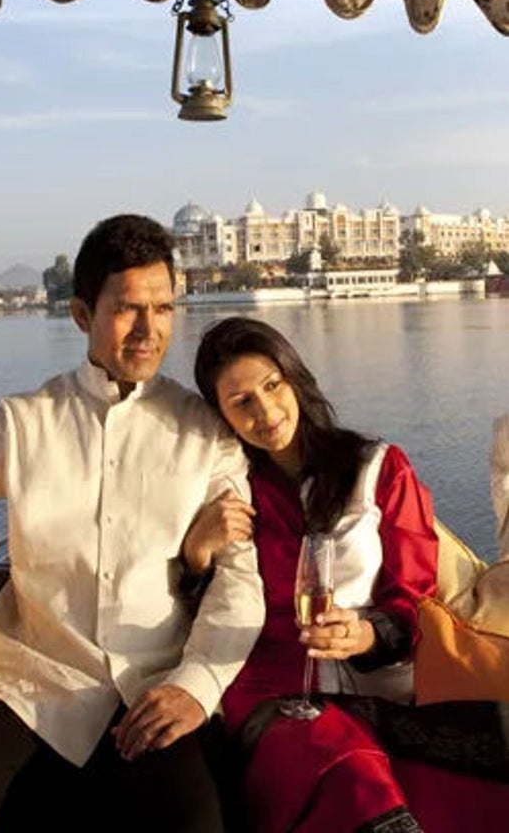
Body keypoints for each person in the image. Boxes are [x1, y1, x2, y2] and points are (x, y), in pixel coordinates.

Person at [0, 215, 264, 833]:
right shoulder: (19, 425)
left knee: (199, 822)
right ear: (81, 314)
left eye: (164, 307)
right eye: (128, 309)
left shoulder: (203, 432)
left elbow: (242, 579)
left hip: (155, 679)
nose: (150, 330)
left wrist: (198, 684)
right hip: (34, 680)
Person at [183, 316, 439, 833]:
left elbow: (417, 599)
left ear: (294, 377)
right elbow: (194, 611)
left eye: (272, 386)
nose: (266, 411)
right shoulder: (224, 493)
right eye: (241, 402)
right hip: (272, 697)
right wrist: (196, 553)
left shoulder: (378, 469)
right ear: (222, 417)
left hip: (381, 691)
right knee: (353, 780)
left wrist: (365, 633)